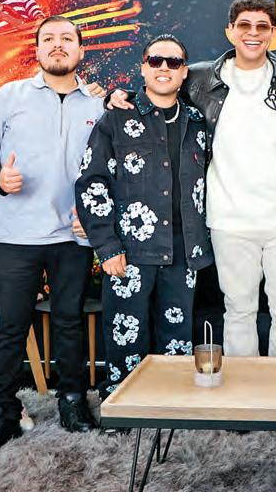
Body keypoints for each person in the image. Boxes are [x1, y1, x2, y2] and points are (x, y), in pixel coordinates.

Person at [111, 0, 276, 357]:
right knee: (238, 312)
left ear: (273, 32)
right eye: (244, 25)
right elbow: (161, 87)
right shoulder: (202, 77)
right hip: (228, 220)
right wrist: (120, 95)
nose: (253, 33)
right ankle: (243, 392)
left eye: (262, 26)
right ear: (229, 30)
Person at [0, 16, 102, 455]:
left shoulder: (98, 106)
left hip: (73, 236)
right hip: (15, 234)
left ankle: (73, 401)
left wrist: (96, 216)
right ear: (37, 49)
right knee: (9, 327)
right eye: (48, 39)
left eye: (67, 39)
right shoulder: (8, 97)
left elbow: (111, 172)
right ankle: (0, 413)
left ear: (80, 50)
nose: (58, 45)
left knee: (69, 320)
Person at [76, 34, 211, 401]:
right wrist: (107, 246)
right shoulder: (117, 117)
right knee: (125, 337)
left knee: (177, 337)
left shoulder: (197, 122)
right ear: (143, 68)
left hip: (184, 250)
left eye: (173, 62)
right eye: (155, 61)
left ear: (185, 72)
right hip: (130, 251)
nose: (164, 68)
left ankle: (172, 406)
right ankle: (124, 405)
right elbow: (92, 183)